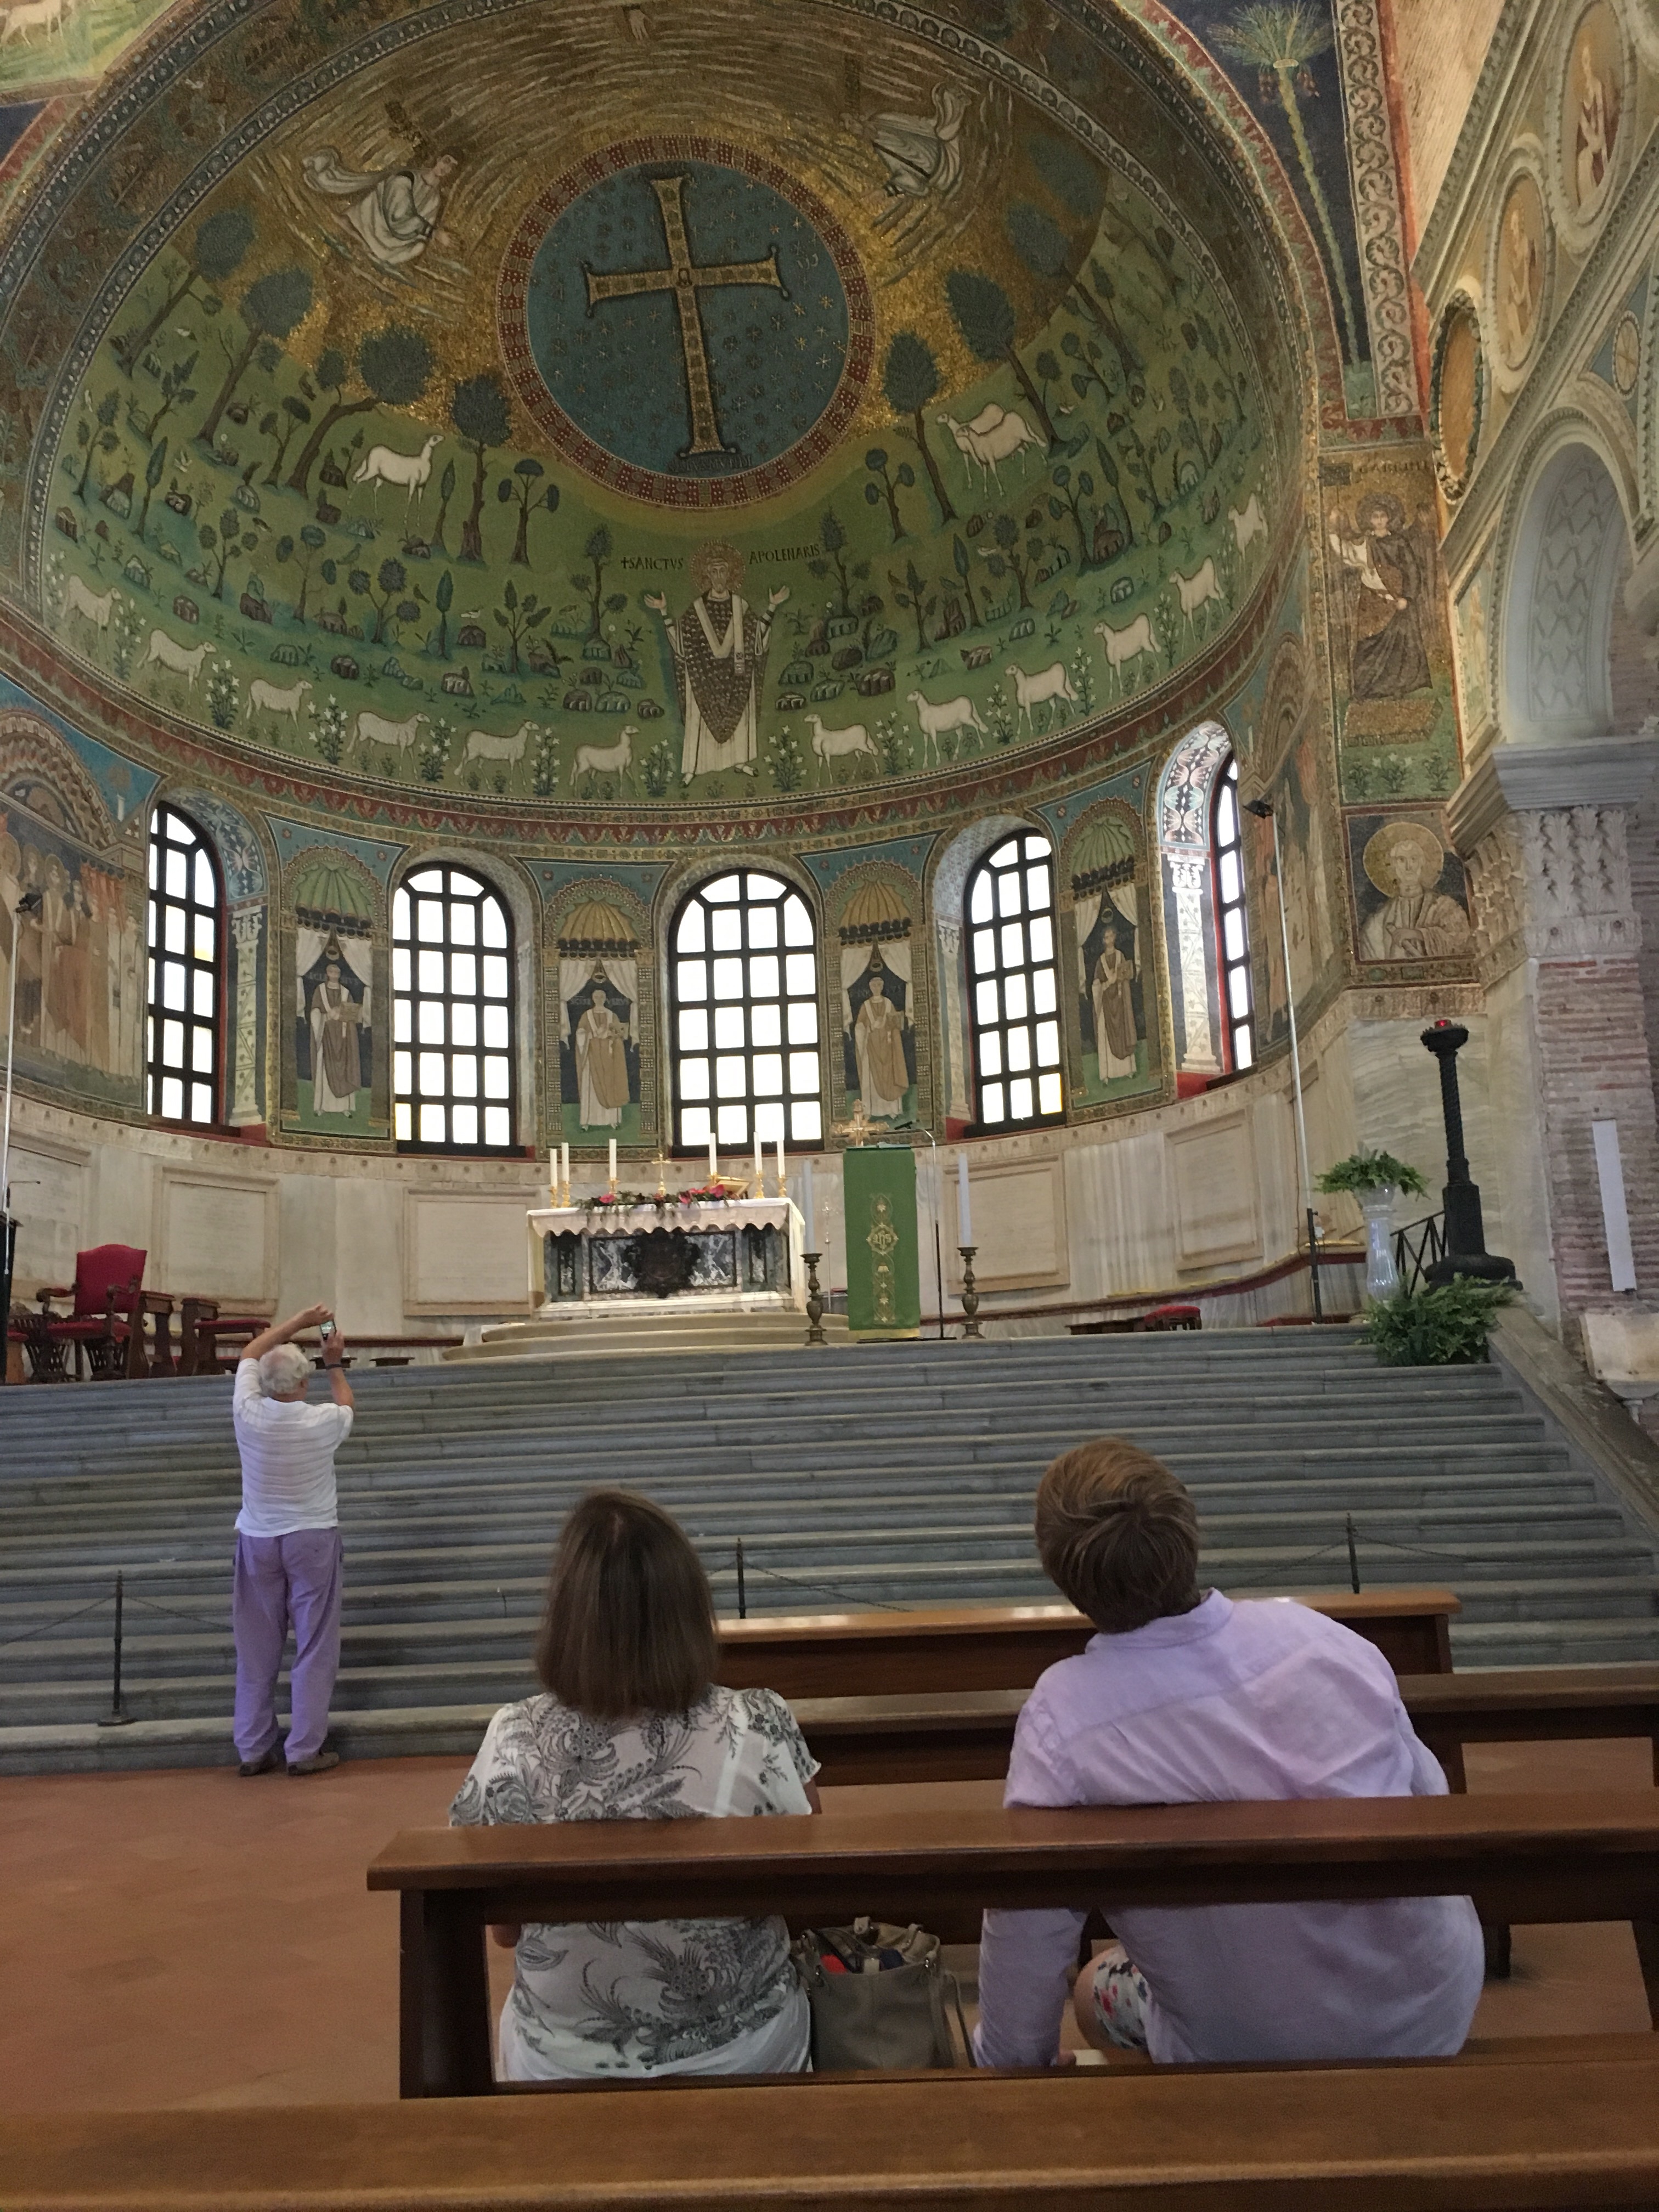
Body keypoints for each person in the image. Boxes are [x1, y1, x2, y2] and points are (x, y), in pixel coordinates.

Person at [974, 1439, 1485, 2068]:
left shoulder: (1065, 1718)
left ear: (1062, 1574)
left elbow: (1028, 1927)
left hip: (1253, 2046)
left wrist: (1008, 2068)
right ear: (1187, 1530)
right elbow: (1425, 1796)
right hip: (1430, 2003)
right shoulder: (1320, 1640)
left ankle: (1203, 2136)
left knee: (1094, 1991)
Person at [450, 1491, 821, 2082]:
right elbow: (809, 1887)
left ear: (568, 1614)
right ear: (689, 1606)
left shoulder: (511, 1738)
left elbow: (503, 1929)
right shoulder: (757, 1722)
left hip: (562, 2059)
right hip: (742, 2051)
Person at [230, 1306, 354, 1778]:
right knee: (314, 1644)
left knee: (257, 1649)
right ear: (304, 1383)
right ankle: (304, 1749)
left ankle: (254, 1748)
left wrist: (295, 1322)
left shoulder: (248, 1412)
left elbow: (249, 1353)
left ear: (265, 1384)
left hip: (258, 1539)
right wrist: (334, 1361)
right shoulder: (321, 1420)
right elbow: (346, 1404)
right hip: (312, 1537)